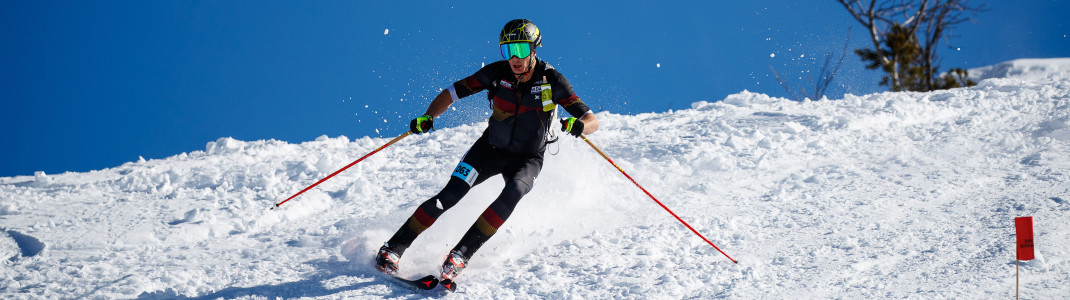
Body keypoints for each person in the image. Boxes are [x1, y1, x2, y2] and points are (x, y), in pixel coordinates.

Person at [374, 19, 599, 281]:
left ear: (534, 50)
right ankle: (393, 249)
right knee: (450, 194)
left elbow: (591, 120)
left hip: (527, 160)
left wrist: (579, 126)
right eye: (508, 50)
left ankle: (460, 255)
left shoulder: (553, 81)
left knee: (514, 191)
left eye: (522, 51)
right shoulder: (496, 74)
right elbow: (452, 92)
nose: (515, 58)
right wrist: (429, 116)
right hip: (488, 151)